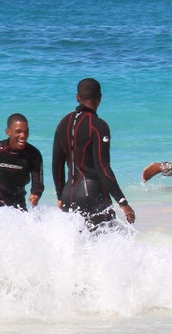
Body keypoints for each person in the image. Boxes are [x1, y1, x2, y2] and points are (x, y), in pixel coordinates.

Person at [51, 78, 135, 229]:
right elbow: (103, 168)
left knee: (77, 245)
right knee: (108, 243)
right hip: (92, 195)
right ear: (100, 98)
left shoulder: (62, 123)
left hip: (67, 195)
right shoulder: (98, 126)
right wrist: (123, 202)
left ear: (78, 97)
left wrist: (59, 196)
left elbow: (57, 165)